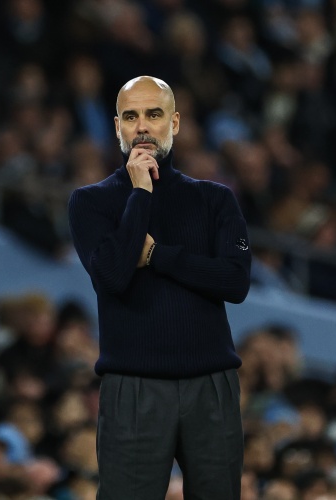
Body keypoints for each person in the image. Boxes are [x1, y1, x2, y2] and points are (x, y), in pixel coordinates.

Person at [67, 75, 252, 499]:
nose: (143, 127)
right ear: (117, 127)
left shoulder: (215, 199)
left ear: (176, 122)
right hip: (133, 386)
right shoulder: (90, 202)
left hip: (211, 384)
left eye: (154, 114)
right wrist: (140, 193)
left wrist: (156, 256)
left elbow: (235, 280)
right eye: (131, 117)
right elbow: (112, 276)